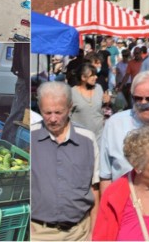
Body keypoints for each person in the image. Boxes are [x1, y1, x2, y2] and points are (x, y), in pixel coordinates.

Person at [31, 81, 100, 241]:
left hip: (78, 233)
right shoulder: (31, 138)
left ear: (70, 108)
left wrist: (93, 232)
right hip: (39, 234)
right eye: (47, 113)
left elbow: (94, 189)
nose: (53, 119)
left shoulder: (87, 140)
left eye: (58, 112)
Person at [71, 63, 110, 145]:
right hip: (80, 138)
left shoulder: (98, 88)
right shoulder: (72, 93)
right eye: (92, 75)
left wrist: (107, 101)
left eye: (96, 75)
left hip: (99, 136)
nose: (96, 77)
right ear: (83, 77)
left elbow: (102, 109)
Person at [1, 42, 29, 144]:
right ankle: (5, 145)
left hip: (27, 79)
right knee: (17, 114)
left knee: (23, 116)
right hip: (26, 81)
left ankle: (16, 146)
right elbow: (27, 60)